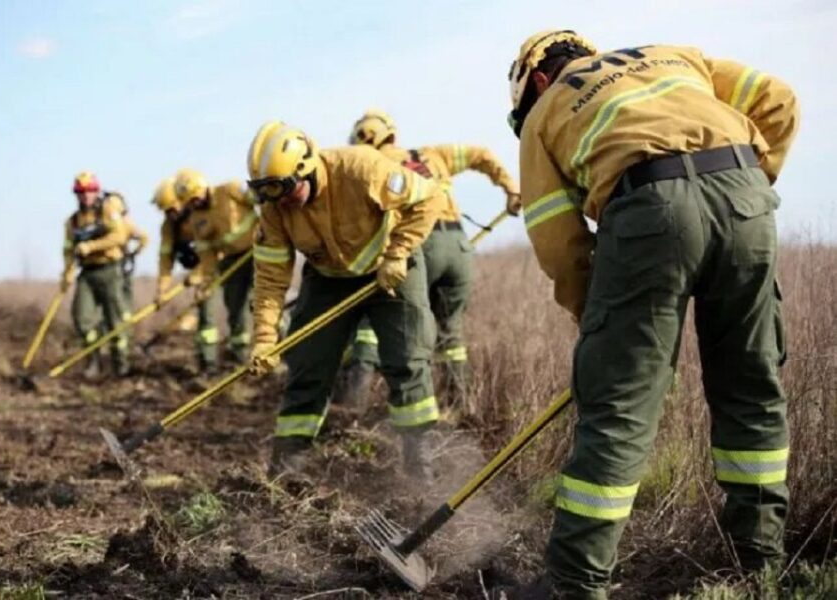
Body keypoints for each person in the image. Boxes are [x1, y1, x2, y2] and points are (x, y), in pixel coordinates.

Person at [505, 30, 798, 598]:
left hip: (648, 209)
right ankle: (759, 565)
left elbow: (559, 242)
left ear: (537, 80)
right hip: (745, 199)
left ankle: (574, 582)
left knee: (618, 408)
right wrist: (752, 182)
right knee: (751, 386)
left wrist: (598, 324)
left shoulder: (545, 109)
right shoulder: (674, 55)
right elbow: (779, 100)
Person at [246, 121, 443, 479]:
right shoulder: (275, 210)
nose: (280, 201)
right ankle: (286, 470)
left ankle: (420, 468)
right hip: (328, 278)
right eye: (269, 194)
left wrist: (398, 252)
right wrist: (263, 337)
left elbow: (429, 197)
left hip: (389, 268)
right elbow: (271, 278)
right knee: (307, 363)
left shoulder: (362, 168)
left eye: (285, 189)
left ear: (306, 168)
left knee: (407, 359)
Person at [344, 109, 520, 404]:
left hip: (420, 246)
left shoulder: (371, 165)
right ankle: (462, 403)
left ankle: (355, 400)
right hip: (458, 248)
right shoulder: (433, 155)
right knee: (451, 332)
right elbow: (482, 155)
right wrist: (511, 189)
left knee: (376, 317)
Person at [172, 168, 258, 367]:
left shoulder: (230, 189)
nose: (194, 203)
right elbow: (207, 254)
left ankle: (286, 349)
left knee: (262, 302)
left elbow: (260, 203)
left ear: (203, 188)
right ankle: (241, 357)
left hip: (258, 252)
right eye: (189, 202)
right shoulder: (196, 219)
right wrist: (207, 282)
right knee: (235, 309)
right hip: (231, 261)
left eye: (195, 198)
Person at [61, 171, 131, 378]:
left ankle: (121, 365)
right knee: (82, 319)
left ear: (96, 191)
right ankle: (93, 360)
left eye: (89, 191)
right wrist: (67, 272)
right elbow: (68, 249)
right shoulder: (73, 221)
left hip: (110, 270)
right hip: (87, 274)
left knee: (115, 322)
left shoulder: (108, 210)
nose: (85, 196)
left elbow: (119, 236)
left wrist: (91, 246)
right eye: (81, 192)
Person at [153, 177, 218, 371]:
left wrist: (198, 273)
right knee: (205, 312)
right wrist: (162, 290)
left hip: (219, 264)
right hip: (201, 273)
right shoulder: (169, 227)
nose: (170, 215)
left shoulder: (201, 216)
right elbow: (165, 260)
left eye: (172, 209)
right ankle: (208, 362)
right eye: (166, 211)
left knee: (241, 306)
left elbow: (216, 248)